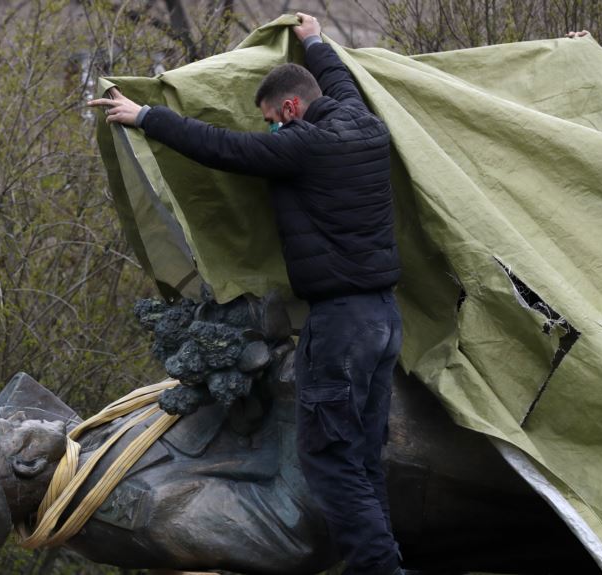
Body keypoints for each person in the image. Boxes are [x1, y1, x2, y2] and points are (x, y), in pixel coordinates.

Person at [90, 13, 405, 575]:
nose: (271, 134)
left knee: (329, 458)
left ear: (290, 109)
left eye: (272, 123)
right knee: (360, 457)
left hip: (341, 326)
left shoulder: (304, 146)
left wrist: (146, 116)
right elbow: (340, 81)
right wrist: (313, 39)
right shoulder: (363, 123)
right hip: (383, 319)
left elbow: (221, 148)